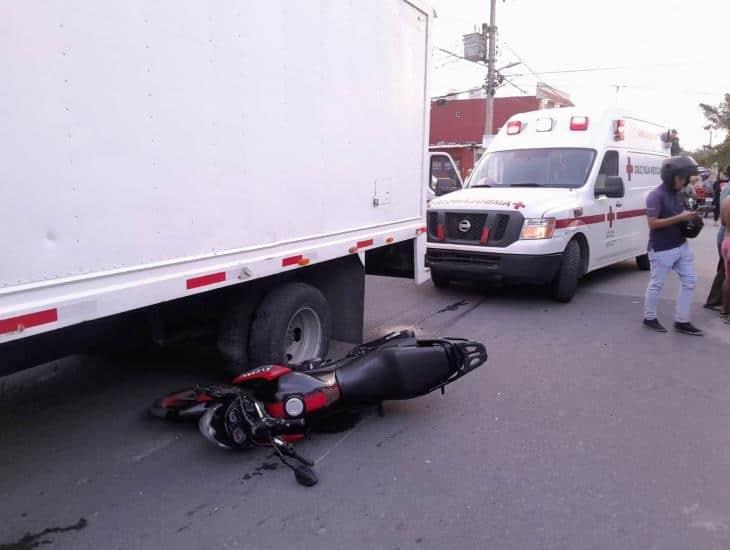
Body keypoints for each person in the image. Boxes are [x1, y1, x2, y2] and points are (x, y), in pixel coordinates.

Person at [643, 155, 703, 335]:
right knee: (656, 284)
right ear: (671, 177)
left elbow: (680, 215)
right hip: (662, 248)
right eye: (681, 177)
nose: (684, 182)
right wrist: (680, 217)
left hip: (681, 245)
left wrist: (691, 217)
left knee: (690, 281)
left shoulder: (678, 193)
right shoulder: (655, 196)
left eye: (685, 178)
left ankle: (682, 320)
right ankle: (649, 318)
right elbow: (652, 223)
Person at [705, 182, 730, 312]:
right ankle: (715, 302)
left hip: (724, 236)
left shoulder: (726, 190)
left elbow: (723, 220)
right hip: (726, 236)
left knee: (724, 270)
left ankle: (719, 303)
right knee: (724, 272)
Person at [722, 193, 730, 323]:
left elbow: (723, 222)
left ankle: (724, 310)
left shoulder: (727, 199)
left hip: (726, 241)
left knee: (728, 278)